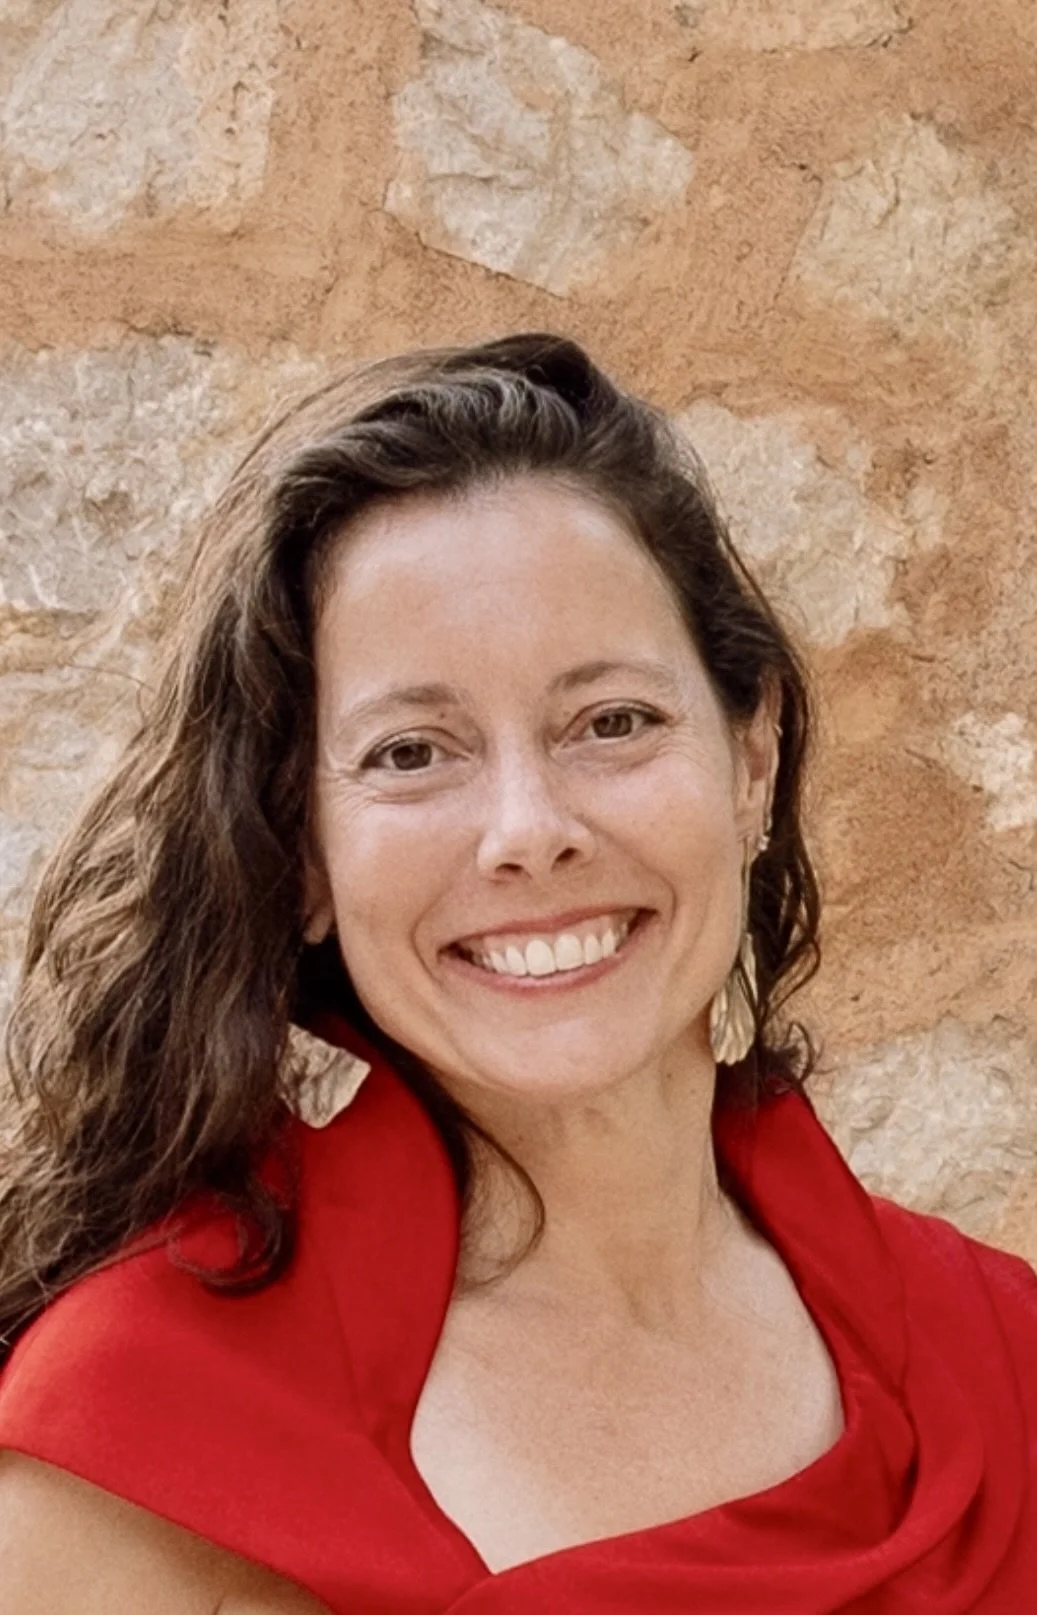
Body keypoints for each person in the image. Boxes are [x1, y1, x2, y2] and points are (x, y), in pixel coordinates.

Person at [0, 333, 1033, 1614]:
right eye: (411, 752)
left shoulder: (1002, 1361)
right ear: (302, 853)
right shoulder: (138, 1441)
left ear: (749, 762)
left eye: (611, 722)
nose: (526, 828)